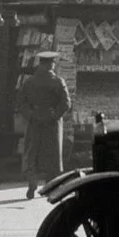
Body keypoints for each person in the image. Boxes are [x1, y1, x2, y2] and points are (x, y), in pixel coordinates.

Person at [16, 50, 70, 199]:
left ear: (40, 64)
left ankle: (32, 182)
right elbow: (66, 103)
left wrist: (32, 115)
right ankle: (50, 186)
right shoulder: (58, 82)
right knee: (52, 154)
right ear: (51, 64)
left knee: (33, 151)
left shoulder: (29, 82)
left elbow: (21, 103)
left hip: (35, 122)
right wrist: (54, 115)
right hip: (52, 123)